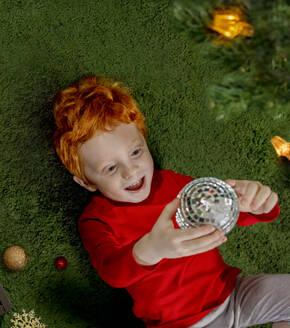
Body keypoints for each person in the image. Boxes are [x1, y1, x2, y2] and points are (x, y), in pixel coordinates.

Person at [52, 75, 290, 328]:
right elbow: (112, 271)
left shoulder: (172, 183)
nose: (131, 171)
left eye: (136, 152)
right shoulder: (97, 220)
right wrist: (149, 250)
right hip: (181, 323)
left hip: (233, 295)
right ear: (87, 182)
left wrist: (258, 204)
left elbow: (229, 211)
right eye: (110, 168)